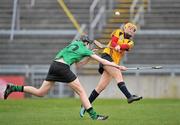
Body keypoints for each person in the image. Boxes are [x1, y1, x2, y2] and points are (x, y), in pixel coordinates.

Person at [3, 35, 127, 120]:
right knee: (82, 91)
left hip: (54, 65)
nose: (88, 47)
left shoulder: (74, 44)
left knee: (41, 92)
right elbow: (103, 61)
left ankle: (13, 88)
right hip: (63, 68)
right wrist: (117, 66)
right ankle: (94, 116)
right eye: (88, 45)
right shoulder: (85, 48)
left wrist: (89, 56)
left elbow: (78, 65)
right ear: (86, 43)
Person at [80, 23, 143, 117]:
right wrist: (115, 45)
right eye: (129, 28)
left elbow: (126, 47)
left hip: (114, 62)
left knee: (101, 87)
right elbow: (113, 42)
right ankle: (129, 96)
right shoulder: (119, 32)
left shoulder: (131, 42)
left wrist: (120, 47)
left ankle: (86, 105)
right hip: (107, 57)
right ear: (125, 28)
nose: (131, 30)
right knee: (118, 74)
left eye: (133, 30)